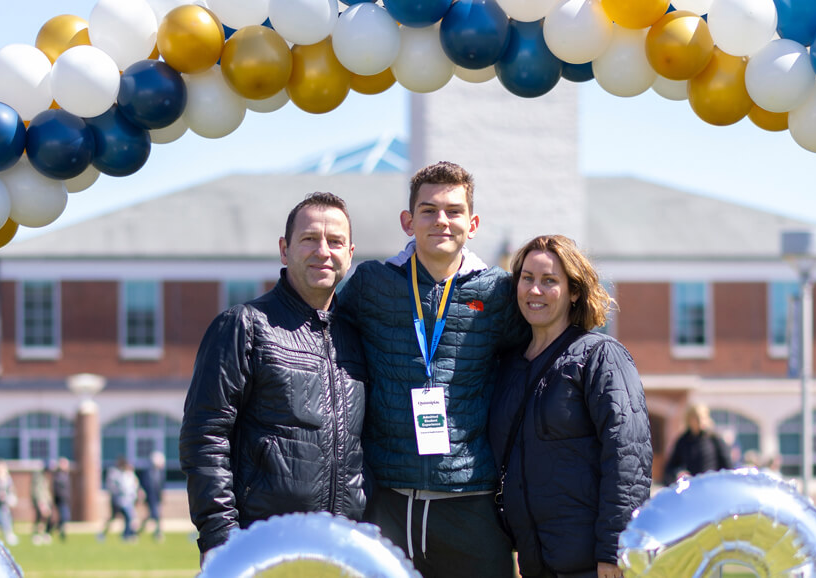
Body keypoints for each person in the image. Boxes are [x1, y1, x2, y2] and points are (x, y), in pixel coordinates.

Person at [336, 162, 527, 576]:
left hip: (470, 503)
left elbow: (535, 358)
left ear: (472, 223)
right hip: (387, 500)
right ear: (408, 221)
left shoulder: (498, 292)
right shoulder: (372, 282)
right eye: (428, 210)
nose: (442, 220)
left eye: (454, 211)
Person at [181, 192, 369, 557]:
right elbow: (204, 438)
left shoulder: (359, 335)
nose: (323, 251)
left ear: (349, 254)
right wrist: (223, 540)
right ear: (285, 249)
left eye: (335, 242)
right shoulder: (245, 325)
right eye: (309, 239)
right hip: (260, 546)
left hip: (343, 548)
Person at [490, 235, 653, 578]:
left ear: (574, 291)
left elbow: (629, 457)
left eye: (549, 281)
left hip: (593, 565)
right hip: (535, 565)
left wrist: (615, 548)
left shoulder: (601, 356)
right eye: (527, 278)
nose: (535, 290)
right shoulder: (506, 366)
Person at [664, 403, 734, 480]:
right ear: (689, 420)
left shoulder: (714, 438)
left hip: (711, 483)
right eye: (696, 418)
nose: (700, 421)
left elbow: (728, 466)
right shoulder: (683, 441)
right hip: (692, 484)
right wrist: (678, 473)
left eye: (702, 418)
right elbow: (671, 467)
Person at [101, 457, 141, 542]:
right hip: (120, 501)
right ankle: (125, 535)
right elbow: (115, 487)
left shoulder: (130, 475)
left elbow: (134, 487)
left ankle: (128, 534)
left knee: (130, 518)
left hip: (129, 501)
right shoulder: (116, 474)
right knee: (125, 517)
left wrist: (136, 497)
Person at [137, 451, 168, 541]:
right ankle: (158, 534)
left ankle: (139, 532)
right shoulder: (147, 472)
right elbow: (143, 484)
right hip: (149, 497)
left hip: (157, 497)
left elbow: (161, 486)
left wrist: (162, 496)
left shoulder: (161, 473)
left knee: (152, 516)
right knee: (156, 515)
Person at [30, 460, 54, 545]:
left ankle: (43, 533)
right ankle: (37, 535)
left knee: (46, 518)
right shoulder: (38, 477)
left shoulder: (44, 477)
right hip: (41, 502)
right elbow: (38, 491)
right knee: (40, 518)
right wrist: (41, 503)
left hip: (45, 501)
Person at [51, 457, 72, 542]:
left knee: (66, 517)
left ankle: (59, 531)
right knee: (64, 517)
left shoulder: (66, 475)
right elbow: (57, 490)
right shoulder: (58, 476)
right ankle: (55, 530)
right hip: (60, 500)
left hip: (66, 500)